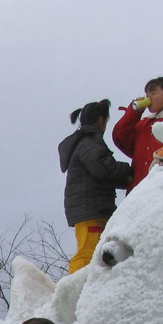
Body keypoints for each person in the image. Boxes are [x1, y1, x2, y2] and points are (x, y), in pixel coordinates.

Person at [59, 99, 133, 274]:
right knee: (87, 252)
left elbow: (101, 173)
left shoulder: (83, 141)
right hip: (91, 208)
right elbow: (103, 168)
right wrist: (130, 170)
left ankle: (85, 289)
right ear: (101, 121)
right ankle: (74, 291)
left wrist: (127, 178)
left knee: (94, 250)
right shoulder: (89, 142)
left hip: (90, 207)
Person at [113, 76, 163, 191]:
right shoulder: (143, 124)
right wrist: (133, 113)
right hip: (139, 189)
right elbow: (120, 137)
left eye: (153, 93)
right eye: (147, 94)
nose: (148, 97)